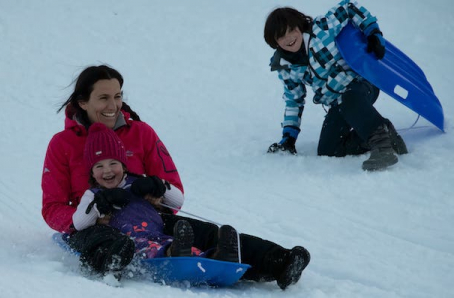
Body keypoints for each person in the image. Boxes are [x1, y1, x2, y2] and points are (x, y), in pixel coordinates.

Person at [41, 64, 310, 289]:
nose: (114, 105)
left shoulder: (141, 133)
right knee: (111, 242)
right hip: (92, 227)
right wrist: (90, 214)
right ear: (82, 102)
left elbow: (175, 194)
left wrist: (154, 188)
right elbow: (52, 209)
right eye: (103, 98)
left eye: (118, 96)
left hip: (144, 216)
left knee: (205, 232)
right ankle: (115, 263)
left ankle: (279, 261)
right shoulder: (62, 144)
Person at [264, 0, 408, 171]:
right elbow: (294, 101)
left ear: (299, 26)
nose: (289, 38)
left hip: (361, 84)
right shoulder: (286, 67)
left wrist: (373, 32)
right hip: (337, 101)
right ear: (274, 41)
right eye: (281, 36)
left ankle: (382, 147)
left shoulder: (322, 29)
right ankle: (387, 134)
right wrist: (289, 138)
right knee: (329, 149)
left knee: (349, 98)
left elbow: (349, 7)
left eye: (292, 30)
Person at [72, 122, 240, 262]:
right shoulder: (93, 195)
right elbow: (78, 223)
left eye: (113, 163)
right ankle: (171, 254)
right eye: (99, 166)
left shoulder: (138, 182)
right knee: (152, 249)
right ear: (92, 173)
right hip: (129, 241)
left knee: (182, 247)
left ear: (124, 165)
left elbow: (177, 201)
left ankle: (217, 256)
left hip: (157, 232)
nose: (107, 171)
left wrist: (158, 185)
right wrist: (98, 205)